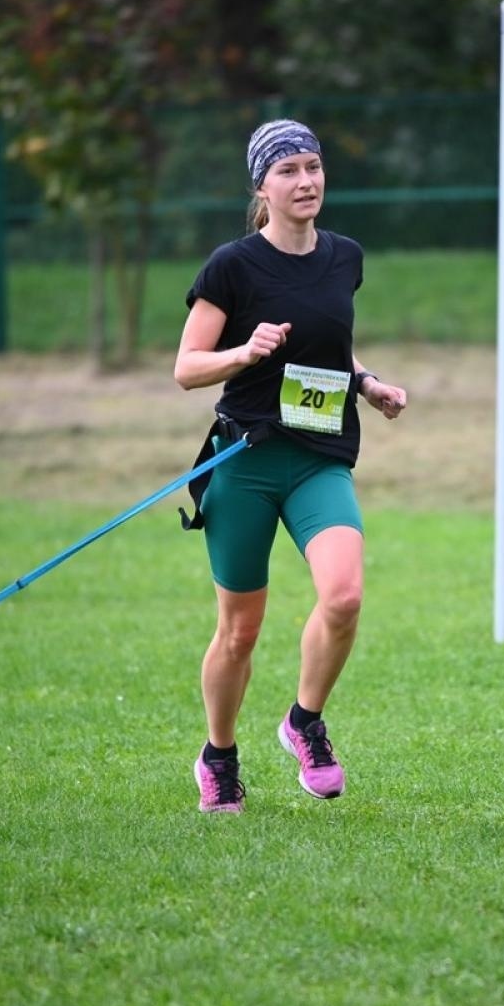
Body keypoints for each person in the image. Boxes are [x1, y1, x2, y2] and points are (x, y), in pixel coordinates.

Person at [173, 120, 408, 814]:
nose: (306, 181)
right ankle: (218, 756)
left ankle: (304, 720)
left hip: (319, 458)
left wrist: (366, 382)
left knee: (344, 596)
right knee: (239, 631)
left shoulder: (345, 257)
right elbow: (186, 368)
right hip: (245, 461)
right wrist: (244, 352)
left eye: (313, 166)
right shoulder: (231, 266)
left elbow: (334, 343)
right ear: (261, 186)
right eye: (288, 171)